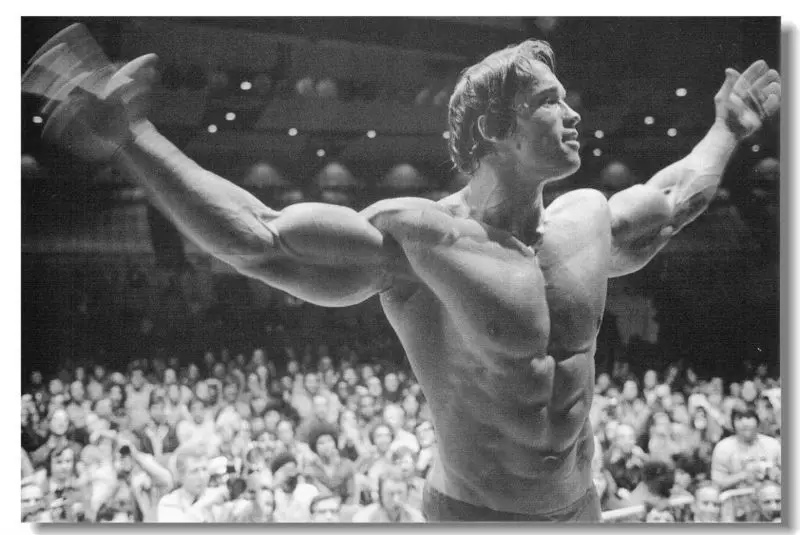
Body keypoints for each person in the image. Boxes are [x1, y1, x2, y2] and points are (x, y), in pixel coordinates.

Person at [23, 25, 780, 522]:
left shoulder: (587, 219)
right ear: (495, 127)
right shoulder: (420, 239)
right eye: (551, 103)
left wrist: (726, 129)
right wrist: (136, 135)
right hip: (473, 516)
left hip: (580, 506)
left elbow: (675, 200)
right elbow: (260, 239)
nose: (574, 114)